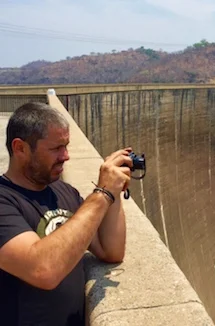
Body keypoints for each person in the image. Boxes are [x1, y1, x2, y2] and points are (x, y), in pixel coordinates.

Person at [0, 102, 131, 325]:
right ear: (20, 148)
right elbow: (43, 270)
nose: (66, 156)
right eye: (56, 148)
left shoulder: (64, 191)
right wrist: (102, 193)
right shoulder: (5, 201)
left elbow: (111, 250)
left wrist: (115, 193)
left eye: (67, 146)